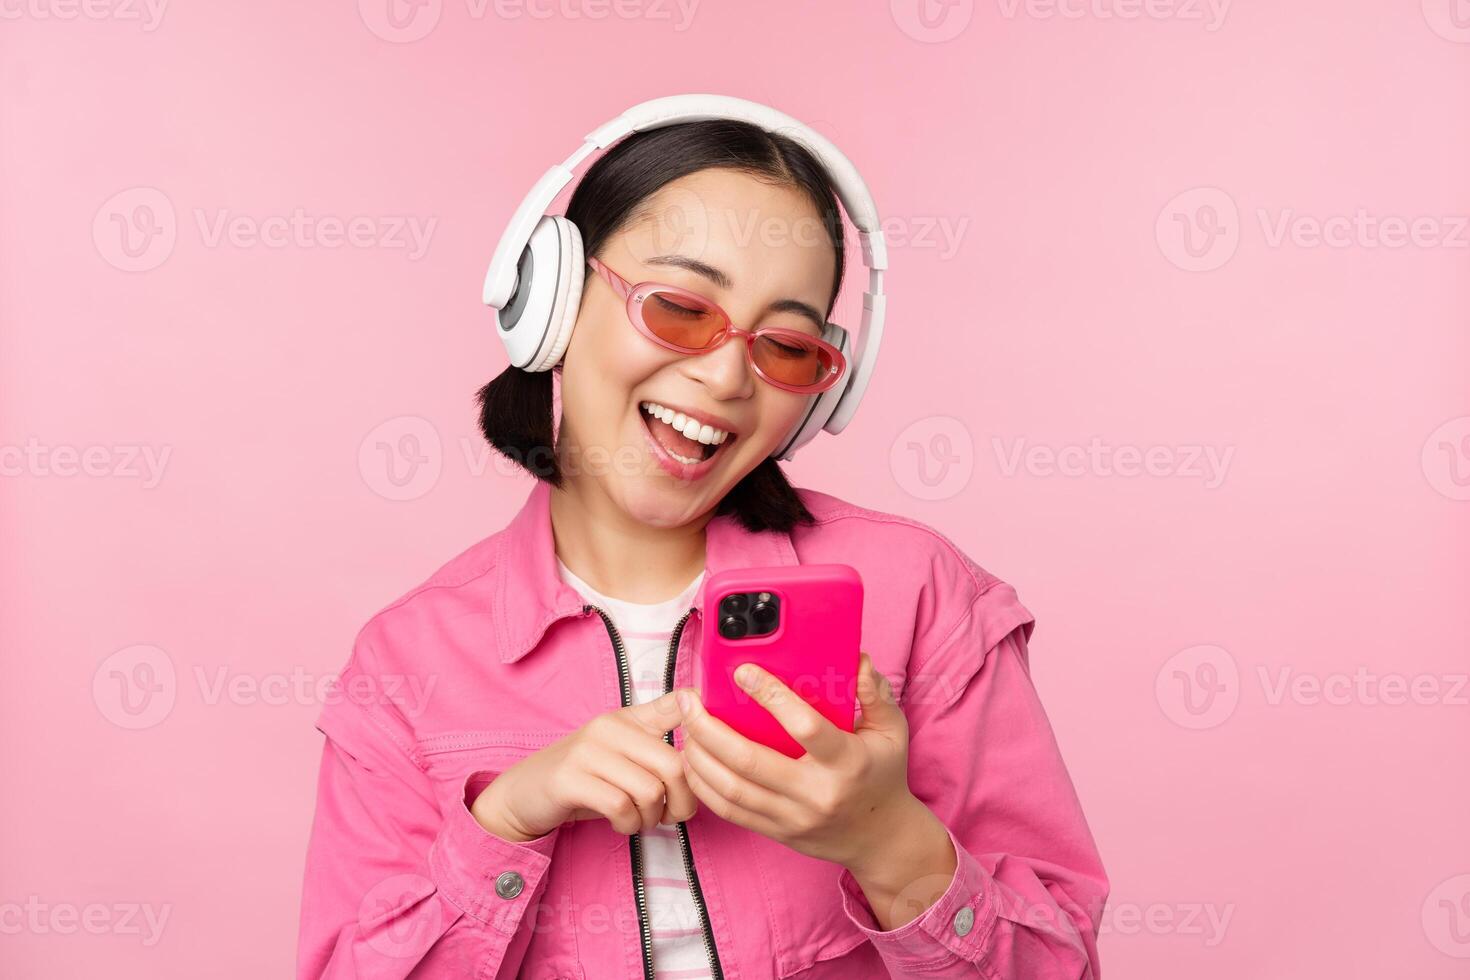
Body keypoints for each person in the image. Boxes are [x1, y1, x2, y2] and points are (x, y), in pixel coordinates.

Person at [296, 105, 1109, 979]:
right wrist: (506, 823)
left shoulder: (921, 598)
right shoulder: (403, 666)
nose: (726, 377)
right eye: (681, 308)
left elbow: (1060, 963)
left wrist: (888, 843)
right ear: (550, 302)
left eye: (786, 347)